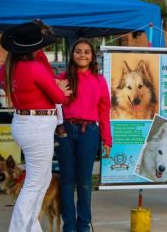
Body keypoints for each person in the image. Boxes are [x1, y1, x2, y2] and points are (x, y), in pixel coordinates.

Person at [0, 21, 72, 231]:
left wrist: (52, 90)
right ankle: (19, 228)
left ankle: (32, 227)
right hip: (37, 127)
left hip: (25, 123)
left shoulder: (7, 68)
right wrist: (61, 89)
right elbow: (60, 98)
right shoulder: (34, 67)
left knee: (42, 179)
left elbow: (30, 92)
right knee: (33, 185)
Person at [55, 38, 112, 232]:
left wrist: (107, 139)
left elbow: (104, 111)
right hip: (65, 131)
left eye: (87, 52)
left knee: (85, 181)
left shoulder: (99, 80)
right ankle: (69, 226)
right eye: (78, 51)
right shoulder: (62, 78)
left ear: (92, 57)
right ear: (72, 55)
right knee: (67, 180)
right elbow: (54, 105)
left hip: (90, 133)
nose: (82, 55)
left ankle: (84, 226)